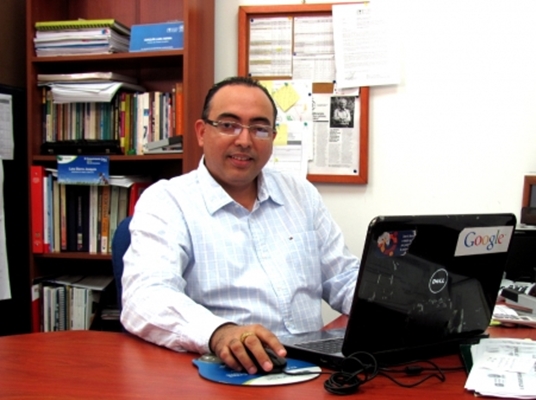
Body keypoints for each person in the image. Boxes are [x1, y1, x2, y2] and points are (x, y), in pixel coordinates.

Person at [120, 76, 360, 375]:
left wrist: (394, 305)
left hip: (312, 370)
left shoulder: (300, 194)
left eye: (259, 129)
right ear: (201, 132)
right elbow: (145, 296)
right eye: (228, 125)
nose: (244, 141)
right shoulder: (167, 201)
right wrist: (220, 333)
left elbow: (342, 277)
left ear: (272, 137)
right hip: (224, 374)